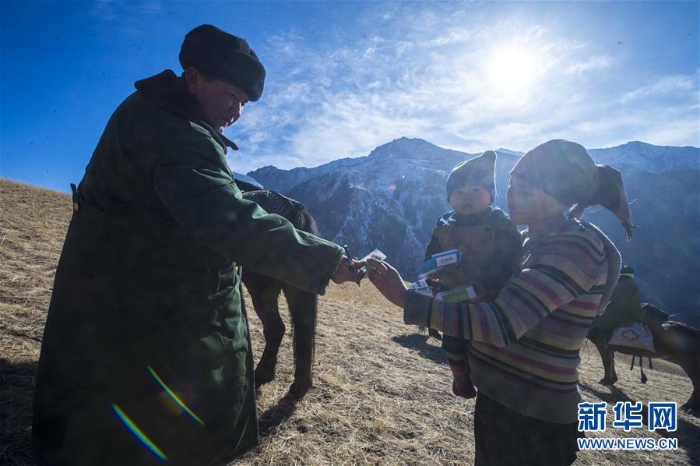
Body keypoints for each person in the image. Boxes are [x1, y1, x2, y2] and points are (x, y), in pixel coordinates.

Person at [32, 24, 363, 466]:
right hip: (144, 291)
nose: (237, 112)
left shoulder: (155, 112)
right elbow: (228, 219)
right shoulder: (179, 135)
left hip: (116, 280)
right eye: (231, 95)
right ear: (194, 79)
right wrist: (325, 259)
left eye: (244, 103)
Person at [367, 139, 634, 466]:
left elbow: (502, 323)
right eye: (511, 185)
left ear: (559, 197)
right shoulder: (531, 241)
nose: (512, 197)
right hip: (503, 402)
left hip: (533, 420)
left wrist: (405, 298)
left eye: (527, 191)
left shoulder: (574, 247)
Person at [423, 150, 521, 398]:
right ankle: (460, 378)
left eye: (475, 191)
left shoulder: (500, 224)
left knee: (486, 340)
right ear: (449, 199)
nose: (467, 197)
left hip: (488, 293)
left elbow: (510, 259)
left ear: (490, 196)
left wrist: (491, 285)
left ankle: (489, 377)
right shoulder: (444, 225)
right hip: (452, 291)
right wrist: (429, 270)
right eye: (459, 193)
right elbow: (431, 253)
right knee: (452, 339)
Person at [589, 265, 644, 343]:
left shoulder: (625, 284)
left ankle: (604, 346)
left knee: (597, 323)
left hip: (625, 316)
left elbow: (618, 302)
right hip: (630, 314)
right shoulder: (631, 283)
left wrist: (605, 313)